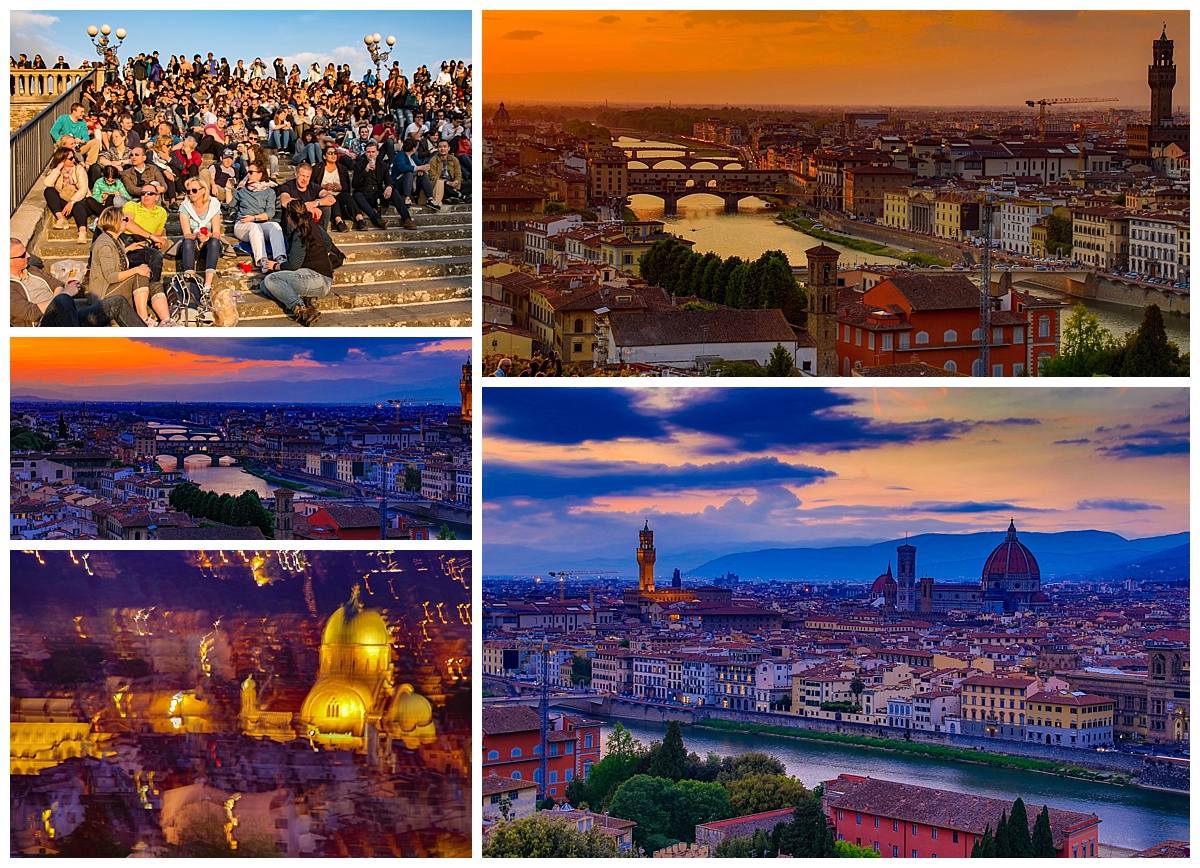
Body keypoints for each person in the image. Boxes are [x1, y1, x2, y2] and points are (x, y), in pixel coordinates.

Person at [11, 237, 144, 327]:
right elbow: (31, 313)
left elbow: (57, 284)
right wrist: (64, 295)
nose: (28, 255)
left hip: (68, 318)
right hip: (44, 326)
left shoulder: (32, 270)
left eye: (26, 251)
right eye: (23, 255)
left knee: (117, 302)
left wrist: (59, 297)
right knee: (63, 300)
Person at [88, 207, 175, 326]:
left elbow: (114, 256)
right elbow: (111, 277)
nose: (127, 222)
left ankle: (166, 321)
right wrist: (136, 270)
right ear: (116, 222)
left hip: (113, 290)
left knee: (154, 284)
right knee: (140, 273)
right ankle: (142, 319)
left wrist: (127, 249)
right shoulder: (104, 245)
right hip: (103, 298)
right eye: (125, 219)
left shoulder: (115, 240)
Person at [258, 199, 335, 326]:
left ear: (289, 218)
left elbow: (293, 265)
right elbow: (328, 242)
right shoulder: (314, 225)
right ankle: (306, 299)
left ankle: (302, 309)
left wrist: (276, 265)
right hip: (320, 279)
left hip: (319, 279)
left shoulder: (300, 232)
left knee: (271, 280)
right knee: (264, 286)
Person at [231, 164, 285, 273]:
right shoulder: (242, 191)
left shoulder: (269, 192)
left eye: (251, 172)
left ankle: (280, 258)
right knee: (254, 228)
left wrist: (254, 218)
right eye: (248, 172)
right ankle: (262, 260)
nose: (248, 174)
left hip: (260, 222)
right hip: (242, 224)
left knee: (275, 226)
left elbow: (270, 213)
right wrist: (228, 189)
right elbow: (230, 205)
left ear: (260, 175)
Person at [178, 177, 224, 297]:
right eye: (188, 191)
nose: (190, 194)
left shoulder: (213, 205)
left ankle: (207, 283)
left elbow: (217, 233)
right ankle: (189, 278)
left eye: (194, 190)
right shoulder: (185, 207)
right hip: (193, 245)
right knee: (187, 241)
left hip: (210, 245)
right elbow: (186, 234)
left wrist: (208, 235)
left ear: (203, 190)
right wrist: (197, 235)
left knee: (214, 241)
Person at [353, 140, 413, 230]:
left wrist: (389, 186)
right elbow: (355, 184)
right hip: (365, 193)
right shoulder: (359, 165)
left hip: (377, 193)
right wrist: (366, 170)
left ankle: (407, 219)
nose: (371, 154)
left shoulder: (382, 165)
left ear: (377, 153)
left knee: (393, 191)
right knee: (357, 195)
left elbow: (389, 180)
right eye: (368, 152)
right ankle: (377, 219)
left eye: (373, 152)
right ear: (365, 153)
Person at [121, 185, 169, 293]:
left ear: (157, 197)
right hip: (127, 239)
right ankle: (152, 290)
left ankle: (152, 289)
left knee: (155, 255)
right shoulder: (132, 205)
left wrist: (158, 241)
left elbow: (158, 234)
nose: (146, 196)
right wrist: (151, 236)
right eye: (143, 193)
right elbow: (127, 223)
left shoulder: (162, 212)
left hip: (143, 243)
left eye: (150, 193)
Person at [42, 148, 90, 244]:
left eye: (74, 157)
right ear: (62, 160)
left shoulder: (78, 169)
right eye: (70, 158)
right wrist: (58, 168)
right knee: (49, 191)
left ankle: (82, 232)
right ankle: (61, 218)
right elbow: (47, 183)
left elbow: (83, 189)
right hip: (63, 199)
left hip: (78, 200)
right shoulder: (56, 171)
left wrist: (72, 202)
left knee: (79, 205)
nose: (73, 160)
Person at [278, 161, 335, 231]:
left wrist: (316, 203)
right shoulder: (287, 186)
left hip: (310, 222)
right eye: (302, 176)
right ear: (296, 174)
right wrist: (307, 207)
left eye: (307, 176)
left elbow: (331, 199)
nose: (305, 179)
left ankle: (321, 236)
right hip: (294, 225)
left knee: (326, 207)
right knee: (290, 208)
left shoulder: (313, 187)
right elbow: (285, 201)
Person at [315, 142, 355, 232]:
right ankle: (339, 221)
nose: (333, 155)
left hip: (339, 194)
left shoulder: (342, 169)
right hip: (324, 196)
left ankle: (359, 218)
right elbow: (312, 185)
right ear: (324, 156)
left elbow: (346, 188)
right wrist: (323, 187)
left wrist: (340, 188)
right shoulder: (318, 168)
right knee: (332, 199)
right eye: (330, 153)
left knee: (348, 197)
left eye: (335, 153)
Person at [49, 102, 101, 166]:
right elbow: (53, 131)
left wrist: (82, 140)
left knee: (96, 142)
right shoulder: (63, 118)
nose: (83, 114)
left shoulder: (83, 122)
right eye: (81, 112)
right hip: (64, 148)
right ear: (74, 111)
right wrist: (63, 141)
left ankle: (88, 165)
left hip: (77, 147)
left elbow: (86, 136)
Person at [391, 136, 433, 207]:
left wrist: (422, 169)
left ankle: (430, 198)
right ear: (413, 148)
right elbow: (402, 168)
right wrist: (418, 168)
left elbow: (420, 164)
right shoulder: (400, 155)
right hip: (400, 182)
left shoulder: (413, 156)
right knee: (409, 173)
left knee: (423, 174)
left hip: (414, 182)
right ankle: (407, 198)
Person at [428, 138, 464, 207]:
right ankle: (461, 196)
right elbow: (433, 177)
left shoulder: (454, 159)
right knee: (443, 186)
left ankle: (452, 195)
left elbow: (458, 174)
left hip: (453, 184)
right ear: (437, 149)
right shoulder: (433, 160)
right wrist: (446, 182)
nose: (442, 149)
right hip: (442, 184)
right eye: (440, 147)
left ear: (449, 148)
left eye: (445, 147)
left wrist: (456, 186)